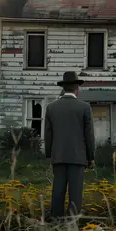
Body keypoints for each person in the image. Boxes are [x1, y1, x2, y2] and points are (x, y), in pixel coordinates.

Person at [44, 71, 95, 219]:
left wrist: (49, 154)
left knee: (58, 191)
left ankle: (55, 222)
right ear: (76, 88)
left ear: (63, 88)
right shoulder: (84, 107)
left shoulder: (51, 107)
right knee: (75, 193)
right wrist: (90, 157)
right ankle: (71, 225)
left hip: (58, 156)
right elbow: (89, 135)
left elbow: (48, 134)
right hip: (78, 157)